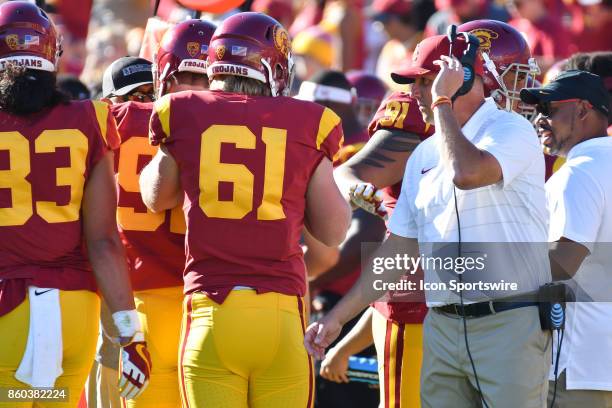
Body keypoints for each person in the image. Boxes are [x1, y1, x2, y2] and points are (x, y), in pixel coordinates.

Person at [305, 33, 551, 408]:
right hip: (443, 324)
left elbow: (466, 172)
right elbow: (400, 250)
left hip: (507, 319)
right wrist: (337, 319)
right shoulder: (423, 152)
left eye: (425, 80)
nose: (415, 91)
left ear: (462, 78)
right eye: (416, 82)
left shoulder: (510, 129)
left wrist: (441, 102)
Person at [139, 12, 351, 408]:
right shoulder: (308, 121)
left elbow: (156, 197)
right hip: (281, 315)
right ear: (274, 67)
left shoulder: (181, 110)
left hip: (211, 312)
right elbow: (334, 231)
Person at [0, 2, 151, 407]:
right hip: (73, 315)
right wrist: (129, 332)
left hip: (7, 311)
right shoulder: (90, 118)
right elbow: (103, 240)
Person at [520, 70, 612, 408]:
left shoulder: (580, 171)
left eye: (549, 107)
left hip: (581, 362)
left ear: (584, 109)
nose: (541, 120)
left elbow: (562, 262)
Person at [297, 70, 385, 408]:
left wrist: (310, 280)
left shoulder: (359, 154)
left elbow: (368, 235)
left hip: (354, 305)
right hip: (339, 303)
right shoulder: (333, 150)